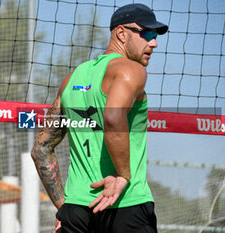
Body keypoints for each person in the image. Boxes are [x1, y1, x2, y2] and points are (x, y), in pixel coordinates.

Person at [31, 3, 168, 233]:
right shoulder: (132, 70)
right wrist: (123, 175)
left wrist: (63, 208)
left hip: (76, 210)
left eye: (155, 35)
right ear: (122, 33)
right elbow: (113, 118)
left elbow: (41, 150)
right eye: (147, 33)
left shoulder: (71, 79)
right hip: (125, 203)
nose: (153, 42)